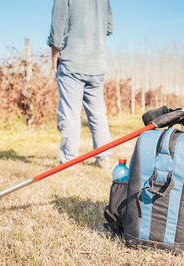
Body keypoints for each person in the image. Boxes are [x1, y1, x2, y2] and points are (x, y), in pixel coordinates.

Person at [47, 0, 113, 168]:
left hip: (72, 62)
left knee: (70, 114)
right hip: (97, 64)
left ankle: (69, 161)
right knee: (98, 114)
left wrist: (54, 56)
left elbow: (57, 25)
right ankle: (103, 158)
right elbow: (109, 27)